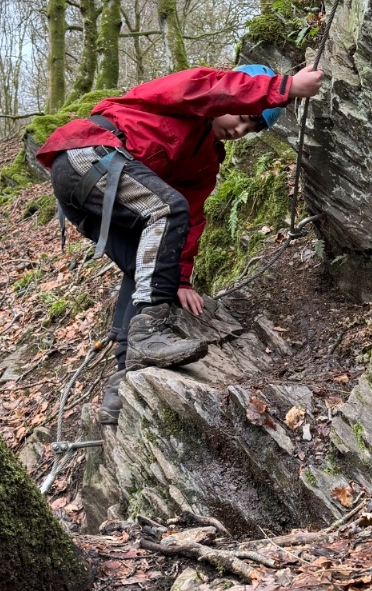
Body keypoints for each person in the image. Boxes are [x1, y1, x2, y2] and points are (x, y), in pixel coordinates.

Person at [36, 63, 324, 423]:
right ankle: (148, 334)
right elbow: (218, 88)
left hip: (92, 186)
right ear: (232, 98)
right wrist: (287, 87)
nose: (239, 129)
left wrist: (181, 279)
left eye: (250, 129)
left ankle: (123, 382)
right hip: (89, 154)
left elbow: (191, 214)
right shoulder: (194, 93)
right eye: (242, 117)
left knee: (149, 267)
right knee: (166, 211)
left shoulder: (205, 159)